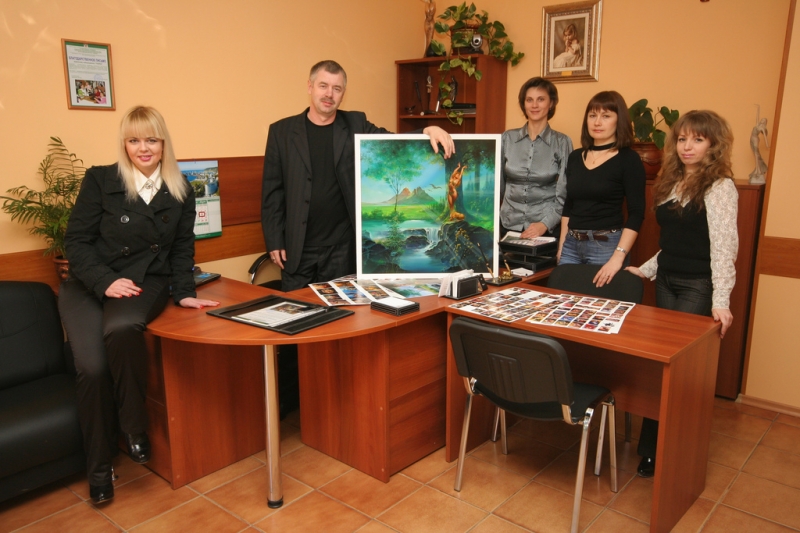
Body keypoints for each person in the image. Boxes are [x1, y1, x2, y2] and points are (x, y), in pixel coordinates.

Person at [59, 106, 219, 503]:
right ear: (124, 144)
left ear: (163, 143)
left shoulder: (181, 189)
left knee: (122, 328)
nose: (143, 148)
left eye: (151, 139)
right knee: (93, 369)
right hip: (88, 284)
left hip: (144, 281)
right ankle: (99, 470)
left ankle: (133, 426)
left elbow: (182, 248)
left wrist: (185, 291)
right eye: (134, 140)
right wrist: (105, 281)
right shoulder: (101, 179)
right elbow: (75, 242)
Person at [261, 59, 454, 291]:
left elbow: (391, 142)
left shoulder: (355, 123)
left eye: (337, 88)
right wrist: (274, 240)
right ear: (309, 87)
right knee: (298, 309)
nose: (329, 94)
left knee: (342, 311)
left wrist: (427, 129)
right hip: (297, 249)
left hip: (342, 250)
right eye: (323, 86)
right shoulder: (281, 132)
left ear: (343, 94)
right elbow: (272, 193)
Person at [626, 110, 738, 477]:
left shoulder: (720, 188)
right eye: (683, 139)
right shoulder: (672, 180)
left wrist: (721, 301)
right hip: (666, 281)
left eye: (698, 139)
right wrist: (646, 270)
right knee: (660, 366)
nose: (687, 146)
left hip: (697, 286)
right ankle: (652, 449)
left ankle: (668, 449)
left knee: (676, 370)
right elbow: (674, 243)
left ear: (713, 145)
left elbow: (723, 249)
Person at [558, 90, 646, 288]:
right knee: (564, 301)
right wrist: (562, 245)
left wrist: (618, 257)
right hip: (571, 245)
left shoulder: (628, 159)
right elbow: (569, 205)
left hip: (606, 246)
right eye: (592, 115)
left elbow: (636, 213)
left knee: (597, 304)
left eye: (606, 116)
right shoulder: (575, 157)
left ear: (619, 121)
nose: (597, 122)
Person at [499, 77, 572, 239]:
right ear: (523, 104)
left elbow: (565, 192)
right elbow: (498, 186)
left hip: (545, 228)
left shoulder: (562, 142)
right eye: (529, 100)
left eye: (541, 99)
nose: (534, 105)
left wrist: (545, 224)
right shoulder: (507, 138)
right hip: (507, 224)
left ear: (551, 103)